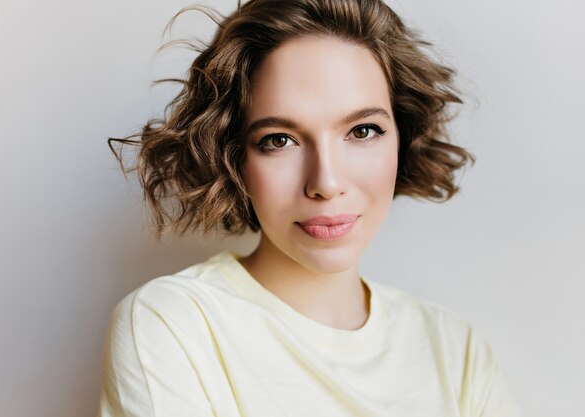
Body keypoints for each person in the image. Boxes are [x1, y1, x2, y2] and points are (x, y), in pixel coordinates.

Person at [98, 0, 521, 416]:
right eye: (279, 139)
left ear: (402, 138)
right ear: (233, 158)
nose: (326, 182)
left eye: (363, 130)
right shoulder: (175, 327)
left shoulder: (455, 351)